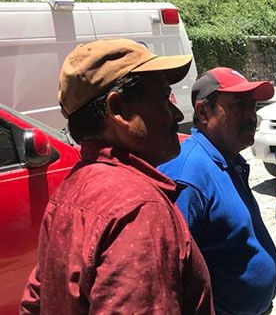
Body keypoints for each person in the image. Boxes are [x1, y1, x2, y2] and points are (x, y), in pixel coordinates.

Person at [20, 38, 214, 314]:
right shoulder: (138, 209)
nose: (176, 113)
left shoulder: (72, 188)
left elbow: (34, 299)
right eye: (162, 99)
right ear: (119, 110)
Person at [159, 67, 276, 315]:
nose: (250, 116)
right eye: (238, 105)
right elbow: (170, 275)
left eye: (252, 106)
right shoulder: (188, 175)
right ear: (203, 112)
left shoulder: (228, 160)